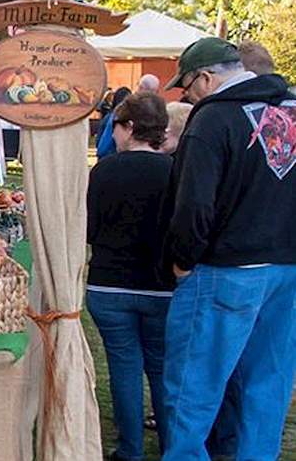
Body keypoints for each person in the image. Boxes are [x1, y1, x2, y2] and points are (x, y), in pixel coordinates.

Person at [159, 37, 296, 460]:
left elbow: (194, 204)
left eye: (187, 86)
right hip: (287, 268)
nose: (187, 95)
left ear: (204, 77)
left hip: (226, 269)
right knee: (267, 388)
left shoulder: (212, 119)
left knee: (191, 390)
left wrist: (182, 260)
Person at [85, 91, 174, 461]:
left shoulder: (104, 171)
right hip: (161, 286)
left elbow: (88, 229)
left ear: (130, 127)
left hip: (110, 283)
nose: (113, 134)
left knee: (124, 368)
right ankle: (171, 445)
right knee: (161, 368)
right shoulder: (176, 171)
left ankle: (130, 449)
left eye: (116, 126)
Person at [97, 75, 158, 158]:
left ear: (140, 88)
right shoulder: (158, 113)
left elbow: (103, 147)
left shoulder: (124, 110)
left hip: (118, 159)